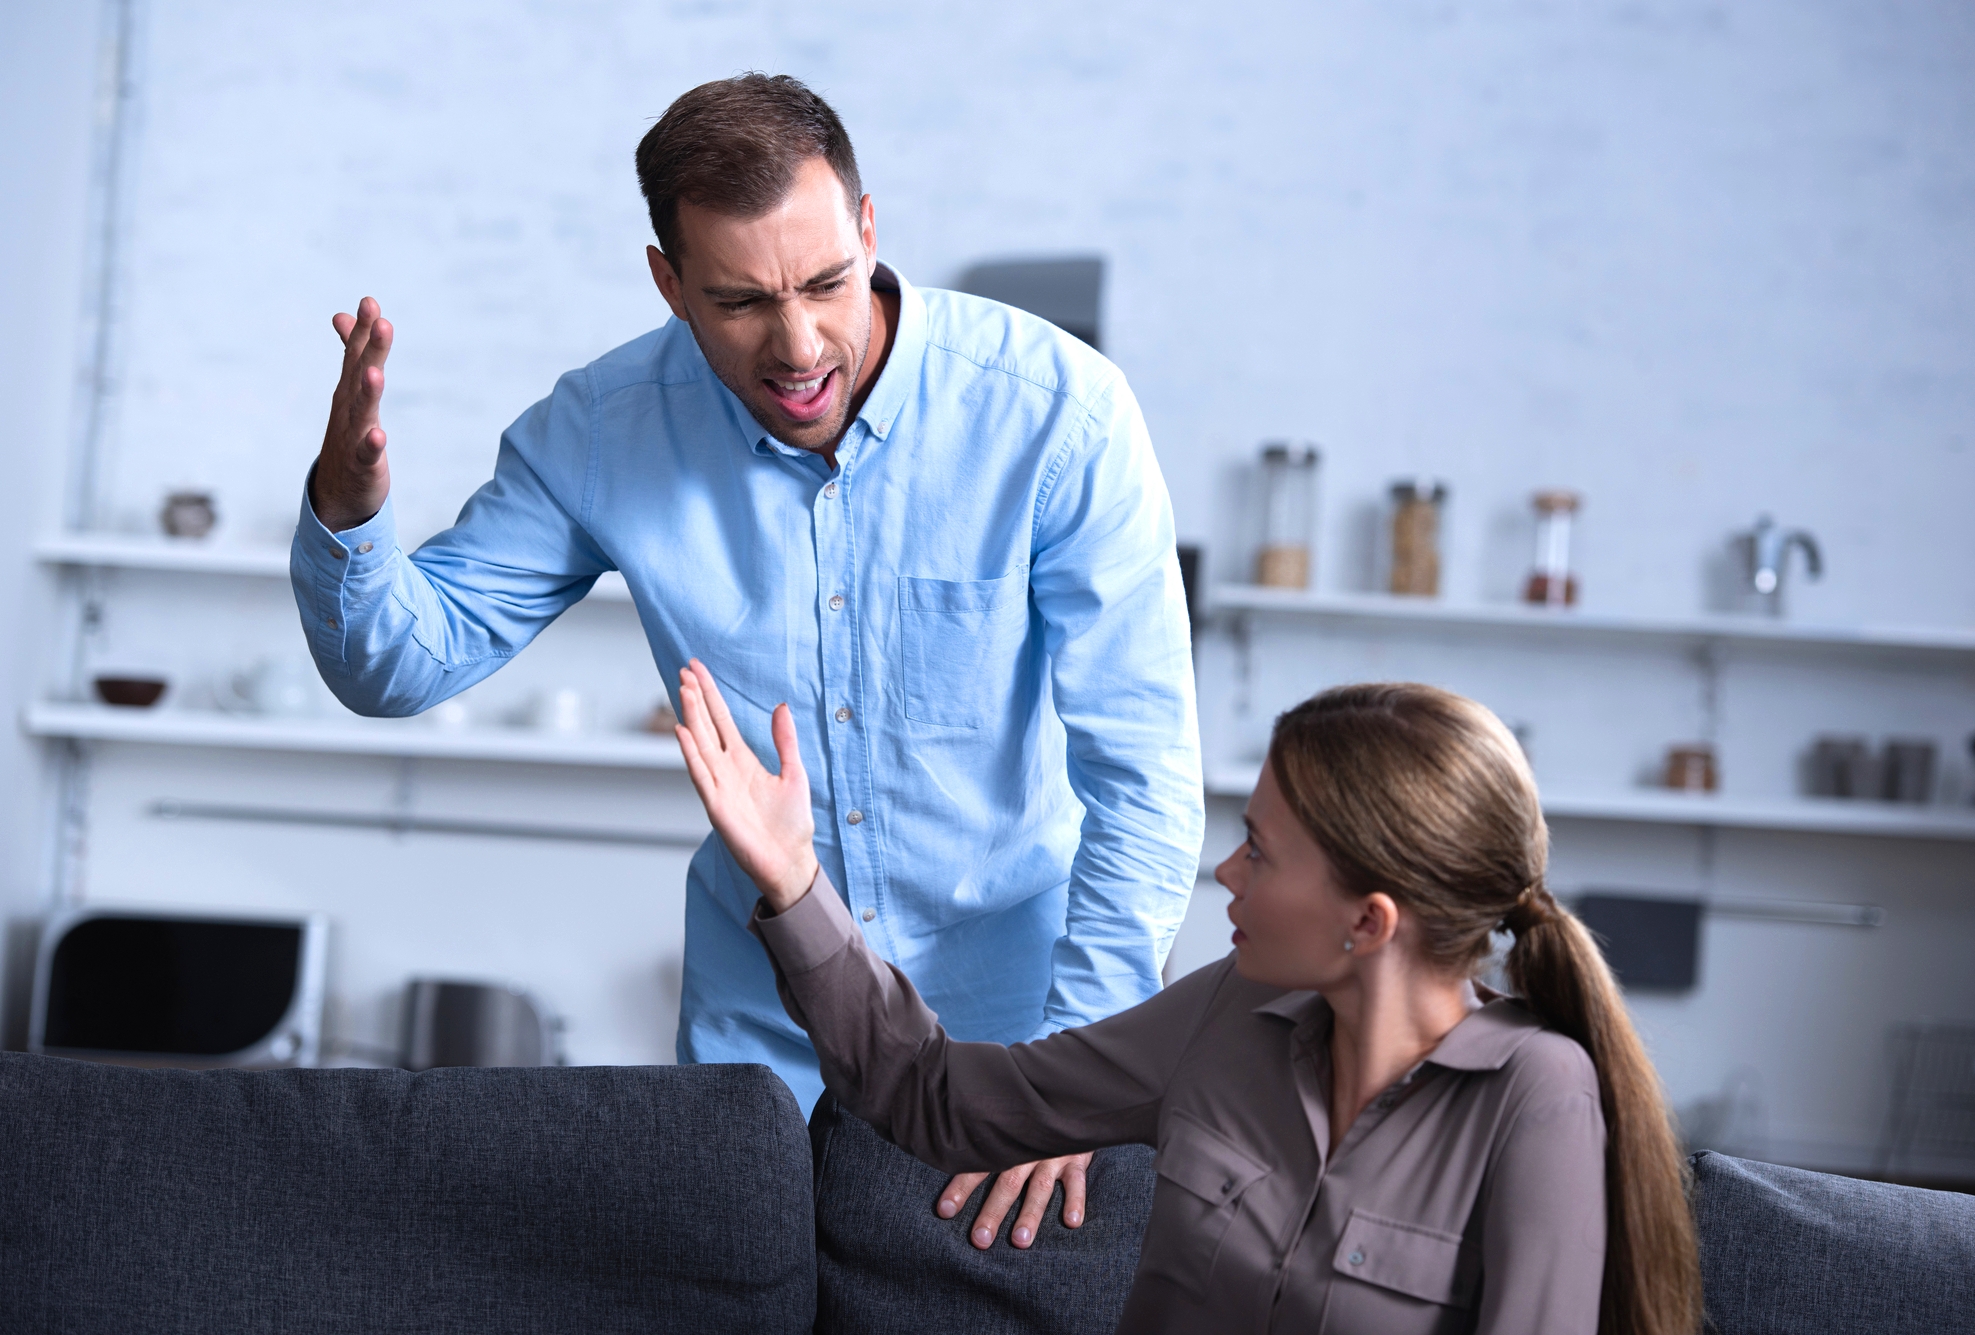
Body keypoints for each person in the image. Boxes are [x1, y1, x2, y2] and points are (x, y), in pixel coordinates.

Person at [292, 73, 1202, 1247]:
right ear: (668, 282)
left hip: (1017, 1031)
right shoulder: (603, 428)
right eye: (739, 301)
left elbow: (1145, 775)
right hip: (760, 1042)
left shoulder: (1055, 415)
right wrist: (348, 503)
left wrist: (1079, 1072)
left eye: (826, 281)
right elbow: (396, 666)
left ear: (869, 231)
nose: (799, 344)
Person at [672, 662, 1703, 1335]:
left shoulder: (1535, 1096)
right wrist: (795, 883)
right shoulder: (1225, 1012)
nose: (1226, 876)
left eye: (1260, 850)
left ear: (1368, 922)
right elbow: (936, 1098)